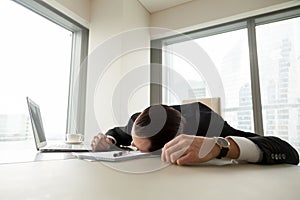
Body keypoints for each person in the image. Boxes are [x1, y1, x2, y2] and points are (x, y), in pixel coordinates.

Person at [91, 102, 299, 165]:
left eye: (141, 149)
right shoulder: (139, 121)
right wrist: (108, 140)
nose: (133, 149)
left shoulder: (210, 125)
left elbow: (289, 152)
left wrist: (221, 146)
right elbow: (118, 132)